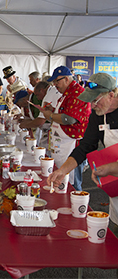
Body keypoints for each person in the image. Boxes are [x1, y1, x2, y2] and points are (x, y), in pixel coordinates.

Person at [47, 72, 118, 233]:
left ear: (111, 95)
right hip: (115, 190)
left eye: (95, 101)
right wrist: (62, 171)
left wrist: (110, 168)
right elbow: (85, 147)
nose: (92, 106)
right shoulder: (99, 116)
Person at [42, 65, 91, 189]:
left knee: (73, 185)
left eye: (56, 81)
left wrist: (51, 115)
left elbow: (69, 119)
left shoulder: (78, 93)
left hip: (72, 145)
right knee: (62, 182)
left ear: (66, 79)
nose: (55, 85)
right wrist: (52, 110)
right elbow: (64, 111)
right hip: (62, 144)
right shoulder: (66, 93)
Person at [19, 81, 61, 153]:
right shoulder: (53, 91)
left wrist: (24, 125)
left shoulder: (48, 96)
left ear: (42, 90)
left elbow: (40, 121)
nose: (38, 99)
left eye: (37, 95)